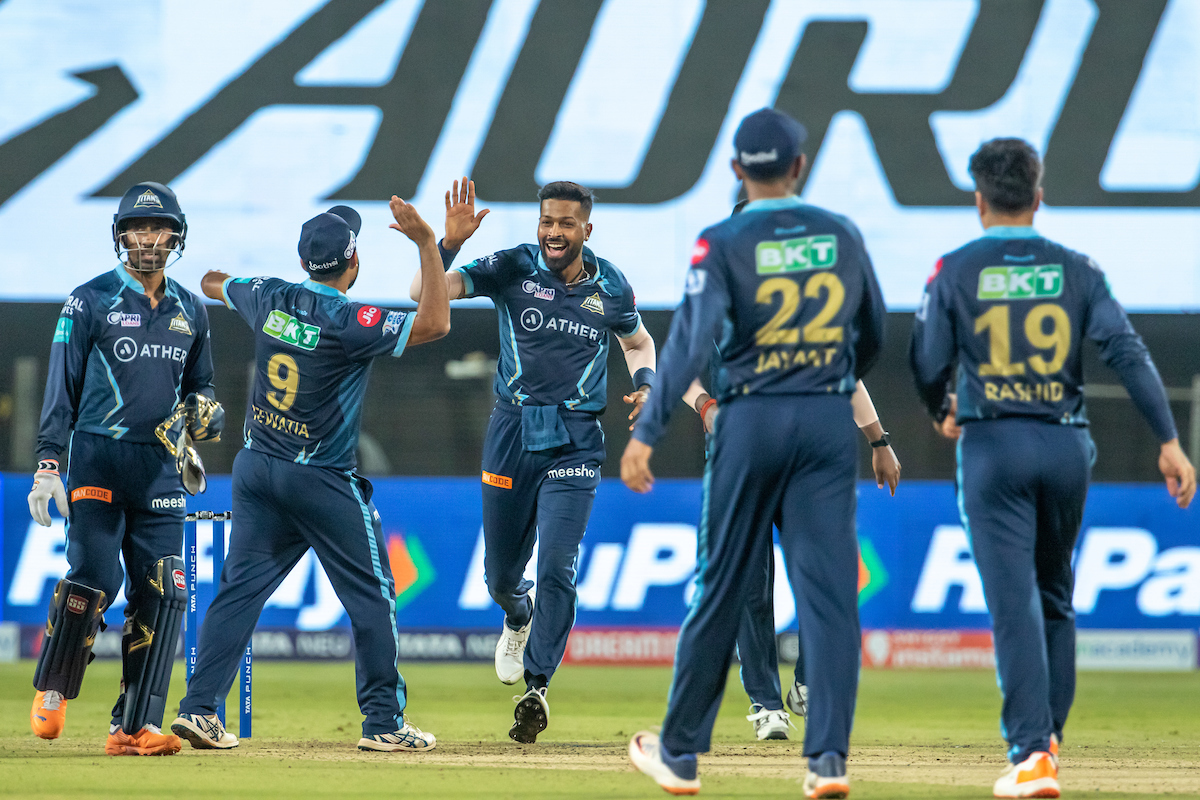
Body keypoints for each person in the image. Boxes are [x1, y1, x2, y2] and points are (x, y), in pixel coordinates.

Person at [910, 138, 1195, 799]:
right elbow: (1127, 353)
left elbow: (927, 358)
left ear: (979, 201)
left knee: (1013, 605)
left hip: (993, 447)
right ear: (1038, 198)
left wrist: (941, 406)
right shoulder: (1078, 268)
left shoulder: (954, 268)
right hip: (1066, 446)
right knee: (1055, 600)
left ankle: (1031, 754)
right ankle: (1048, 742)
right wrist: (1169, 440)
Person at [621, 107, 885, 797]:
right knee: (830, 600)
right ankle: (827, 760)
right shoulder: (841, 234)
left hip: (750, 420)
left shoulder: (721, 240)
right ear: (799, 165)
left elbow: (686, 343)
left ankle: (680, 754)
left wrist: (646, 431)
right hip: (827, 422)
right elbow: (874, 336)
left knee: (724, 585)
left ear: (738, 169)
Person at [170, 198, 450, 752]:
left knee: (239, 592)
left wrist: (238, 285)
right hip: (318, 476)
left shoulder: (269, 296)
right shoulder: (351, 321)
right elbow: (437, 323)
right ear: (353, 262)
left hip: (256, 470)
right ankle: (383, 724)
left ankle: (199, 710)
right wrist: (425, 243)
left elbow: (208, 280)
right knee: (373, 596)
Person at [411, 178, 657, 743]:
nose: (553, 231)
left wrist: (645, 383)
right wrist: (442, 246)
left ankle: (537, 688)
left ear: (585, 230)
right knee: (500, 578)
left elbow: (638, 342)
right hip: (512, 430)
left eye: (565, 223)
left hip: (576, 438)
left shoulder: (611, 285)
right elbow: (426, 292)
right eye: (547, 221)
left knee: (557, 566)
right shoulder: (512, 266)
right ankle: (516, 615)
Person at [28, 181, 223, 756]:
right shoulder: (87, 301)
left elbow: (202, 384)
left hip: (161, 469)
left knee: (164, 590)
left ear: (175, 237)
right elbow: (59, 385)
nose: (147, 239)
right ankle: (54, 688)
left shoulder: (192, 309)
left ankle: (132, 727)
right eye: (137, 230)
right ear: (121, 236)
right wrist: (47, 462)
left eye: (158, 229)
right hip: (98, 457)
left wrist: (204, 409)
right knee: (96, 577)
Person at [681, 374, 899, 741]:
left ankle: (807, 682)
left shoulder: (815, 318)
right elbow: (680, 363)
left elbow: (846, 372)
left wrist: (879, 440)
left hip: (806, 462)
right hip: (736, 459)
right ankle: (766, 704)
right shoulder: (720, 315)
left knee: (826, 575)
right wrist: (704, 404)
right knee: (751, 587)